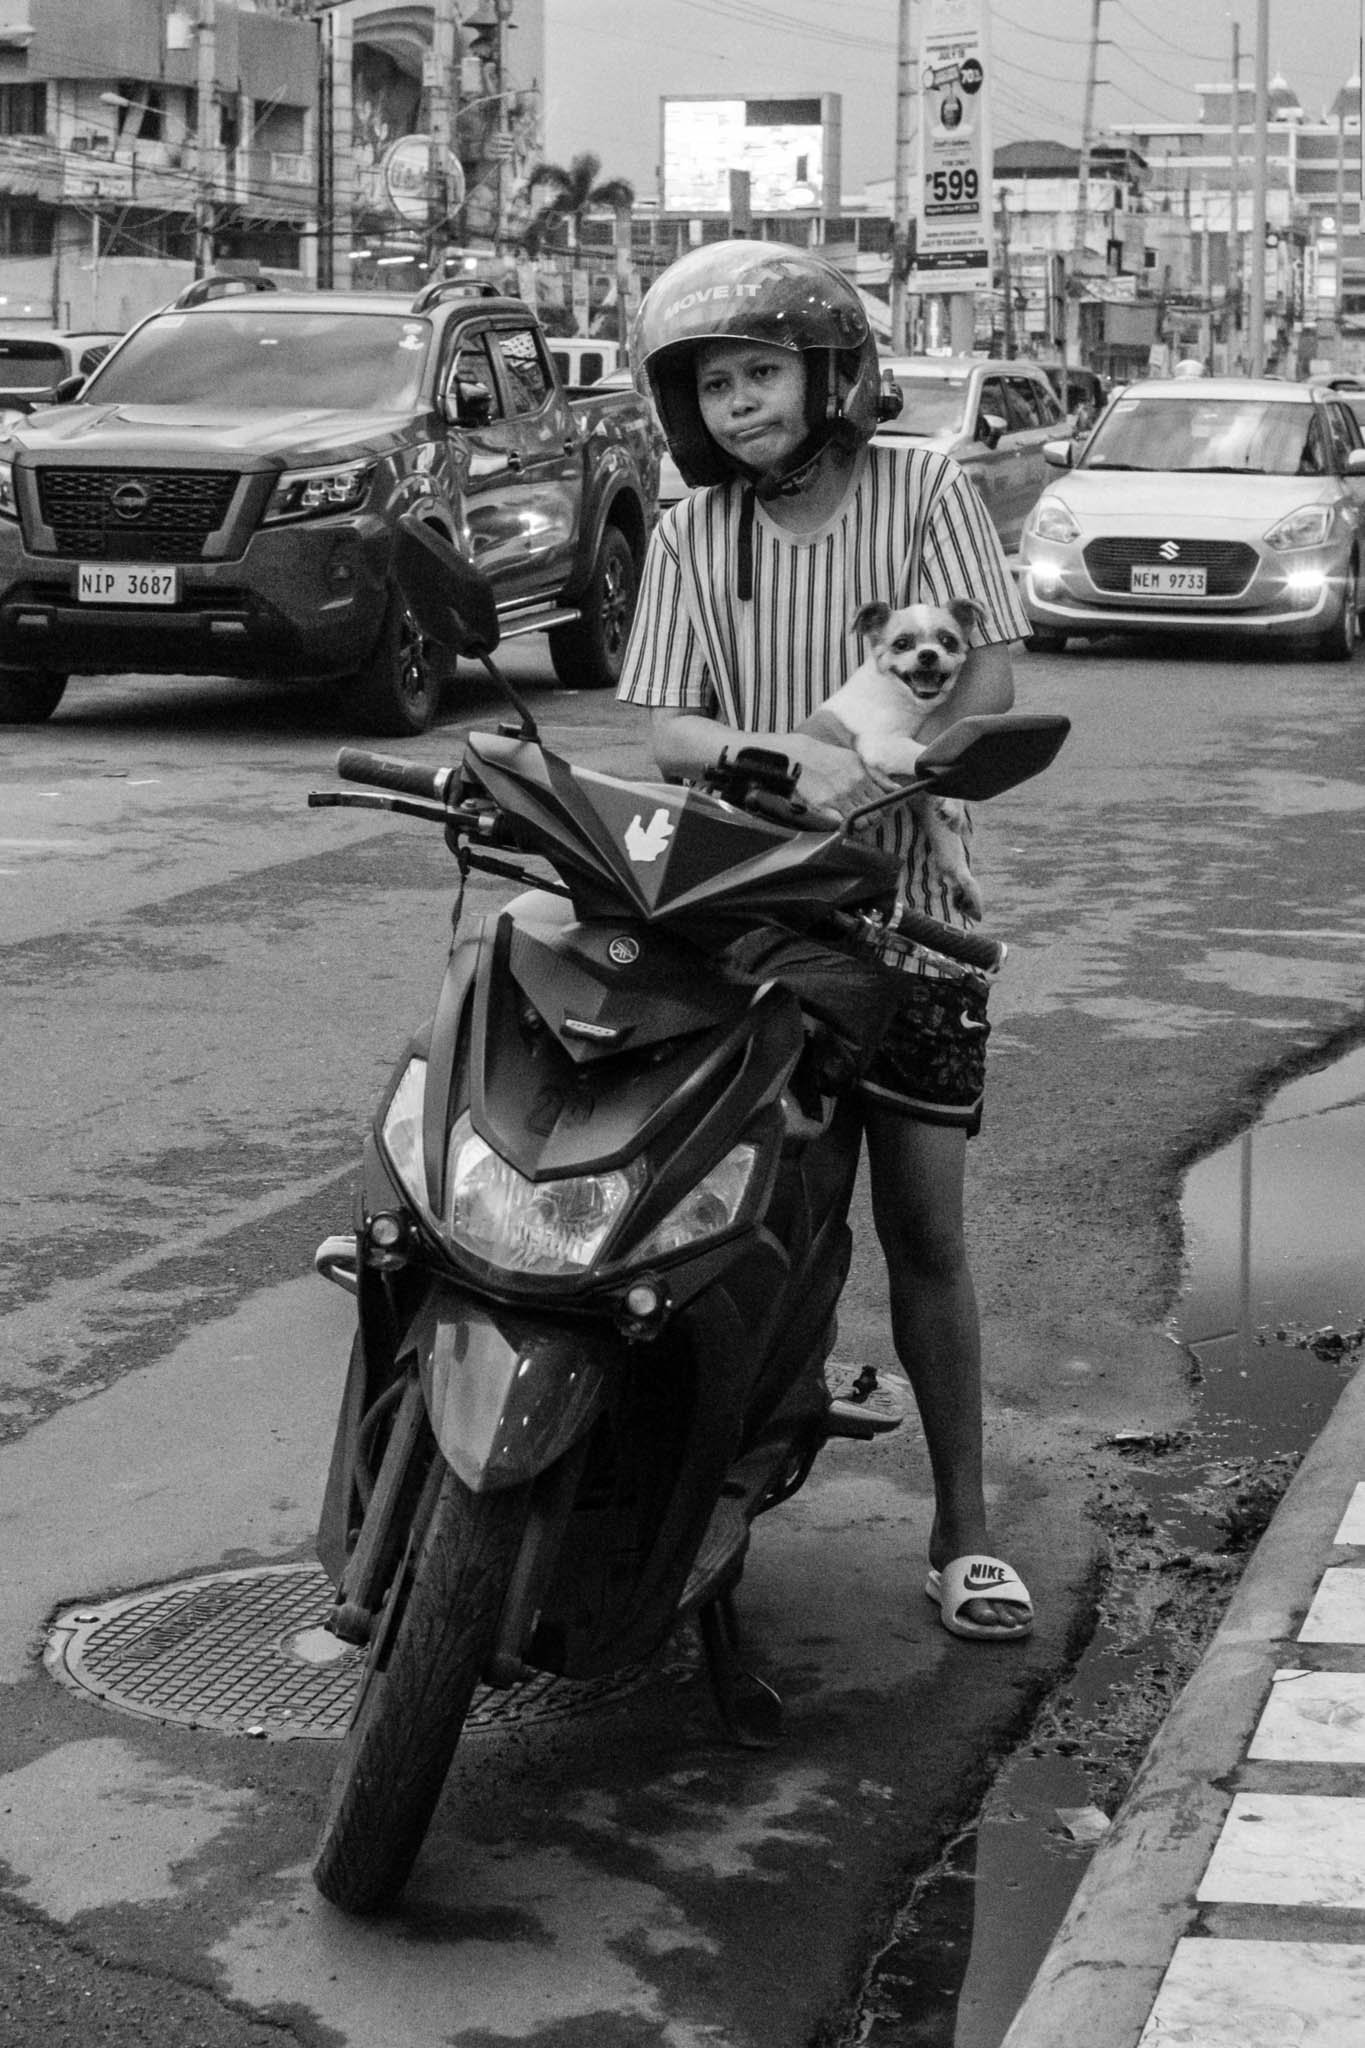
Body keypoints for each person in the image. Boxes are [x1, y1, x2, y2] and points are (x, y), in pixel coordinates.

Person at [616, 240, 1035, 1643]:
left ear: (829, 372)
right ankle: (676, 1521)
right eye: (714, 385)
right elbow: (665, 724)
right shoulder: (690, 530)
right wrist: (766, 755)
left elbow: (984, 674)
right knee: (730, 1230)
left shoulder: (923, 488)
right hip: (745, 925)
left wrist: (881, 772)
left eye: (759, 373)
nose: (737, 406)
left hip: (909, 914)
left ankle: (963, 1533)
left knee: (922, 1229)